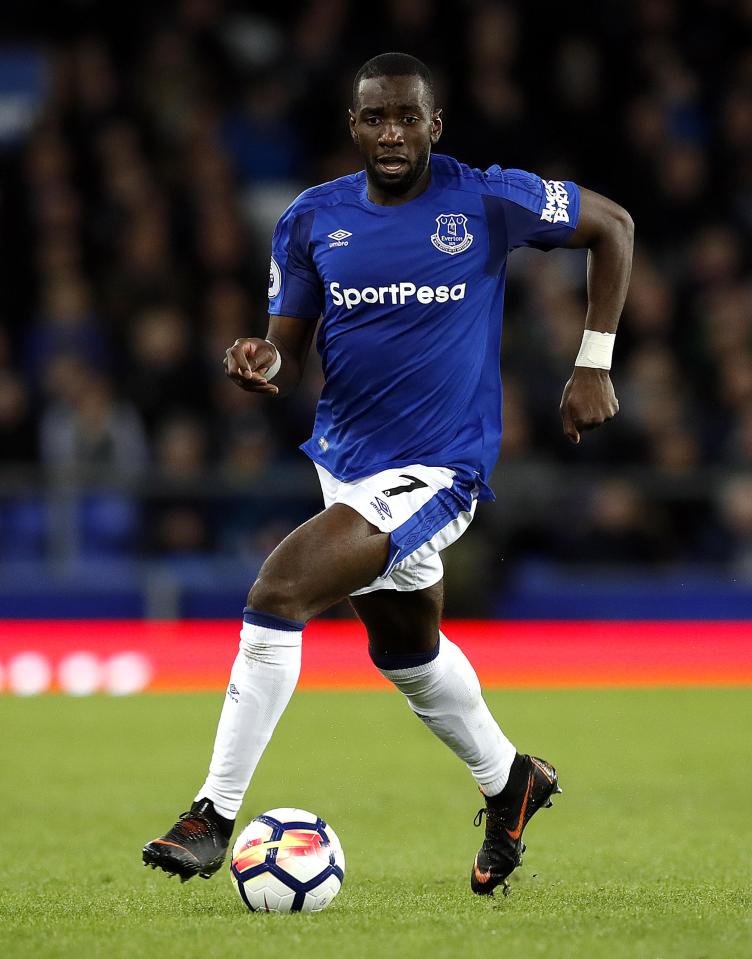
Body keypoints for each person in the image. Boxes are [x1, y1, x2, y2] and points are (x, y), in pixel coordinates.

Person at [142, 52, 633, 896]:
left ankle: (211, 815)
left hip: (441, 467)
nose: (393, 133)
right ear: (354, 127)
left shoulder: (486, 196)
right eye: (376, 118)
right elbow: (286, 352)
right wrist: (262, 360)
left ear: (435, 125)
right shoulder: (309, 219)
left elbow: (613, 225)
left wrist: (592, 362)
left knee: (279, 589)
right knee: (406, 653)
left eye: (409, 116)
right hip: (346, 465)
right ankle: (510, 779)